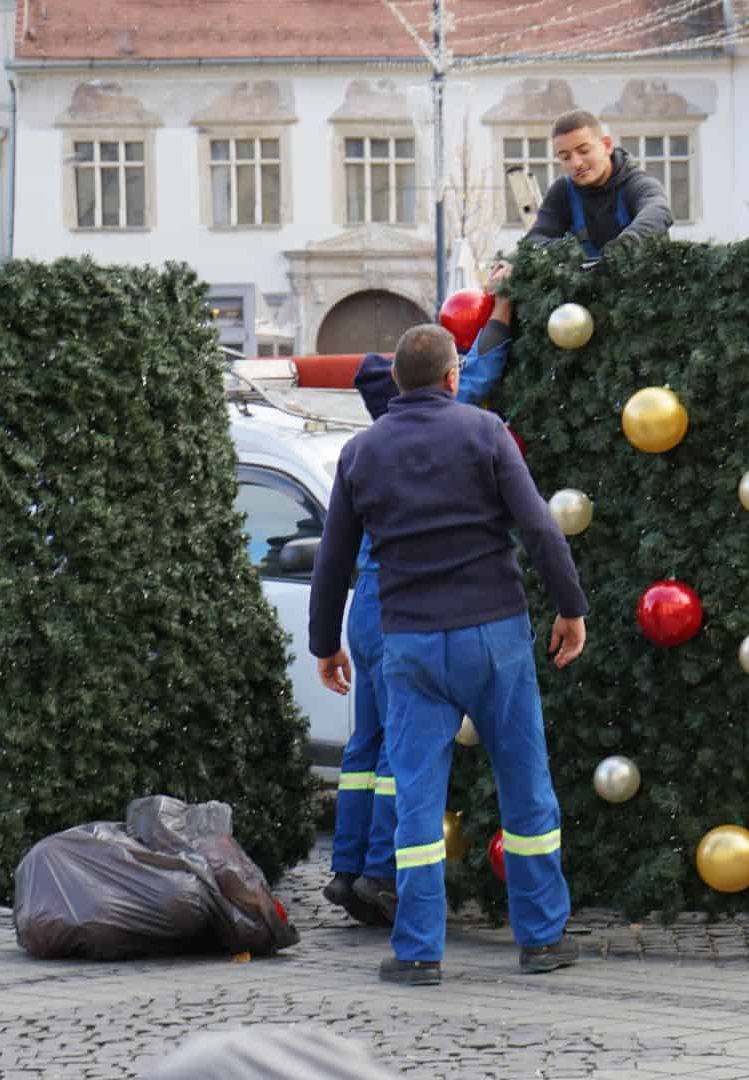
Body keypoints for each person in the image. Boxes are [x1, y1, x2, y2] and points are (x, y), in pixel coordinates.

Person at [307, 320, 588, 988]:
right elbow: (540, 528)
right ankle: (542, 939)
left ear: (397, 382)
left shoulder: (360, 453)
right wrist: (571, 608)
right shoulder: (485, 432)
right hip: (495, 635)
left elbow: (333, 559)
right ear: (453, 377)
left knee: (415, 800)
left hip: (409, 644)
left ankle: (418, 951)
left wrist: (325, 644)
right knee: (526, 788)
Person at [321, 270, 523, 926]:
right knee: (400, 748)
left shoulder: (371, 442)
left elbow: (331, 554)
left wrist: (324, 640)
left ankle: (345, 868)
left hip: (367, 606)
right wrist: (505, 306)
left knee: (365, 746)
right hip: (406, 606)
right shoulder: (446, 427)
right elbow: (481, 375)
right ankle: (381, 869)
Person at [521, 109, 674, 261]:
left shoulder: (639, 184)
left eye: (584, 151)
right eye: (566, 157)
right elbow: (536, 238)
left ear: (607, 146)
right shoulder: (562, 192)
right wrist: (565, 251)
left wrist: (626, 245)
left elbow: (658, 211)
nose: (576, 163)